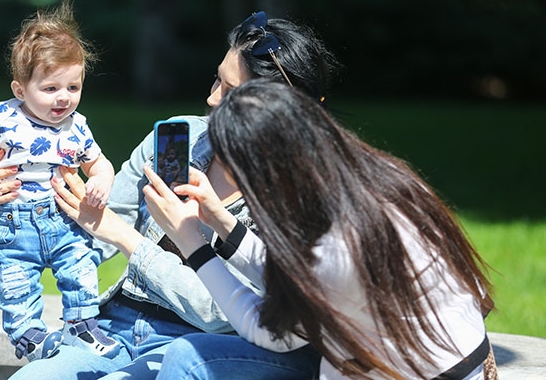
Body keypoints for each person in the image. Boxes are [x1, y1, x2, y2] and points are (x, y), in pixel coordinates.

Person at [0, 11, 339, 379]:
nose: (212, 99)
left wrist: (127, 239)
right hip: (115, 324)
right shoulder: (181, 139)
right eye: (216, 80)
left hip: (197, 344)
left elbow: (219, 314)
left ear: (278, 108)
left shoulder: (295, 200)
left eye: (230, 92)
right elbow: (91, 230)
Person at [141, 78, 496, 379]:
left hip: (423, 373)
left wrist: (191, 242)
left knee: (188, 356)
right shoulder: (377, 180)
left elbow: (267, 330)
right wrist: (221, 220)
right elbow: (299, 281)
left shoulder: (336, 248)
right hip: (458, 359)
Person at [0, 0, 119, 362]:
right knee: (13, 281)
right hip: (13, 223)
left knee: (81, 269)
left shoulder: (77, 126)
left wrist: (101, 178)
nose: (64, 97)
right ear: (20, 90)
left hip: (63, 219)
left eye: (73, 87)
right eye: (50, 89)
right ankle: (29, 335)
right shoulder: (2, 118)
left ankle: (82, 325)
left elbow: (98, 162)